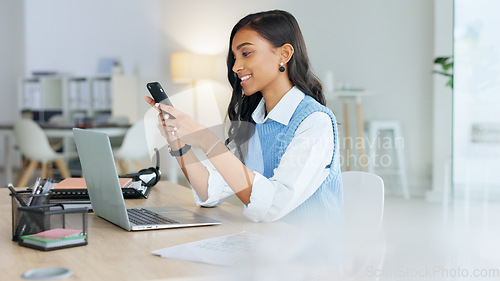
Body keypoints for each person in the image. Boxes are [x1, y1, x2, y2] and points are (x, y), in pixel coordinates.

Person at [145, 10, 342, 223]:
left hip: (311, 253)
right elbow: (209, 192)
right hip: (268, 246)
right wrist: (177, 142)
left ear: (284, 54)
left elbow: (273, 206)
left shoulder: (314, 122)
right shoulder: (255, 120)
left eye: (246, 53)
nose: (235, 67)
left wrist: (206, 139)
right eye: (235, 57)